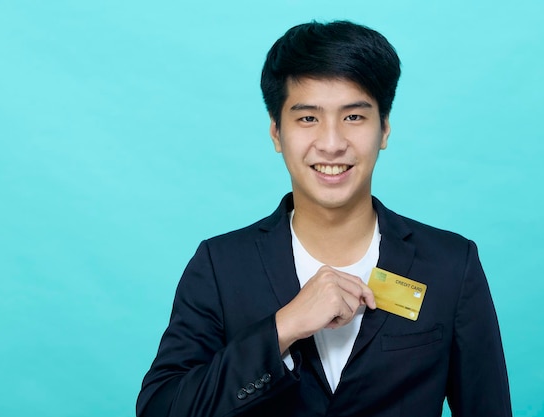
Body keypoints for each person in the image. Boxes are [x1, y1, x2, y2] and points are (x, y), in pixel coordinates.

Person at [137, 20, 512, 417]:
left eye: (353, 117)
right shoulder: (220, 266)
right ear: (277, 133)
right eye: (308, 118)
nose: (332, 144)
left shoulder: (451, 265)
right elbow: (161, 409)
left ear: (383, 129)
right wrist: (283, 328)